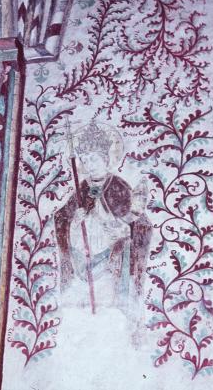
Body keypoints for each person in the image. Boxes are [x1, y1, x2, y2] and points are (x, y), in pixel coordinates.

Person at [54, 121, 151, 312]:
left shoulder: (117, 185)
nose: (89, 165)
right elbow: (62, 217)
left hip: (110, 255)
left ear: (106, 159)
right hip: (84, 254)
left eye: (93, 159)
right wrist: (74, 220)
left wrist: (121, 227)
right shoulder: (83, 187)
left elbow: (138, 221)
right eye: (85, 160)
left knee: (109, 299)